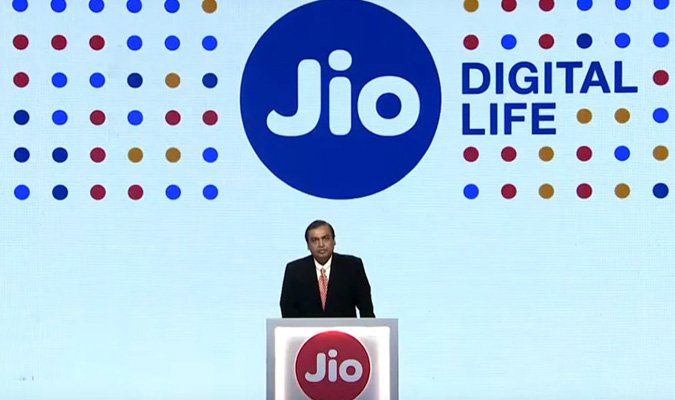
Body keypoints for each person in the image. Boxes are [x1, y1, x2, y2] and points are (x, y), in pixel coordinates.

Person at [280, 220, 375, 318]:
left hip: (344, 328)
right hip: (308, 328)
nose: (321, 244)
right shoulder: (294, 270)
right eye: (315, 240)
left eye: (325, 238)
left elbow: (366, 309)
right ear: (308, 245)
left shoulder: (353, 266)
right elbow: (287, 310)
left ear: (334, 241)